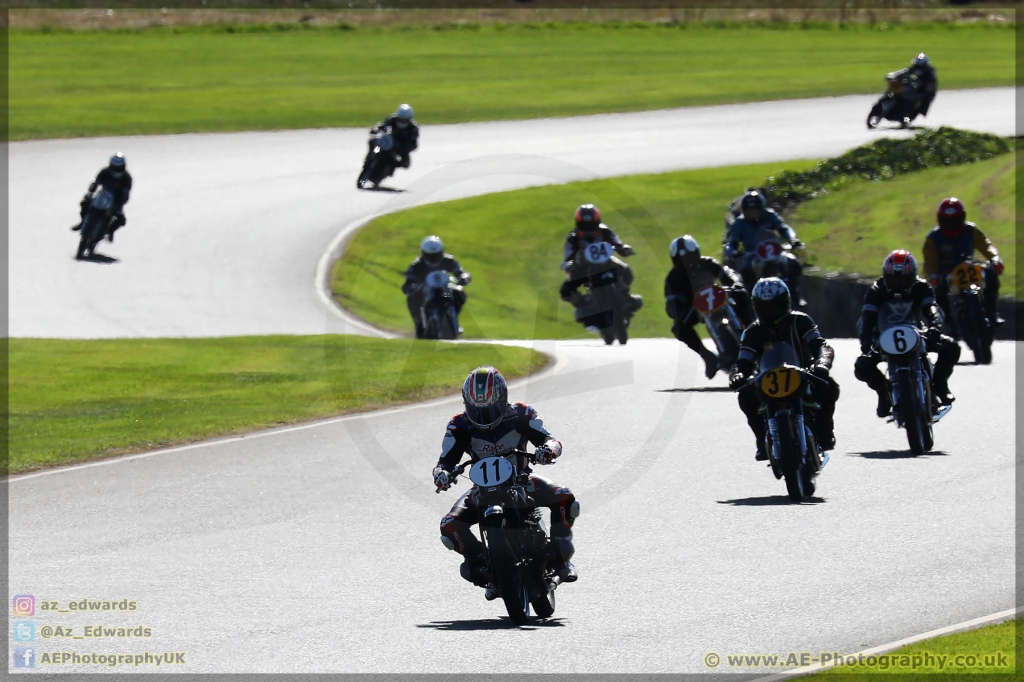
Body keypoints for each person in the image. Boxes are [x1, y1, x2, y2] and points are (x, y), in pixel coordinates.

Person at [434, 367, 579, 599]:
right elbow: (446, 460)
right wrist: (442, 473)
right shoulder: (458, 425)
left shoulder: (521, 414)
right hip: (481, 489)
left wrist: (548, 450)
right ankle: (484, 563)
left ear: (502, 400)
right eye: (476, 410)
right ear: (465, 403)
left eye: (489, 409)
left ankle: (562, 559)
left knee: (564, 497)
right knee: (449, 526)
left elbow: (549, 440)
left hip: (522, 481)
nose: (483, 418)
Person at [729, 278, 840, 461]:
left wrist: (821, 364)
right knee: (745, 397)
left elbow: (820, 345)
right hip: (766, 379)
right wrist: (738, 375)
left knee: (829, 386)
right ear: (755, 307)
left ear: (785, 303)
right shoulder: (752, 332)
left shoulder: (800, 321)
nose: (769, 311)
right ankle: (761, 439)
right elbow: (743, 361)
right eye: (763, 307)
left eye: (774, 306)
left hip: (803, 374)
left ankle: (825, 430)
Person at [855, 250, 959, 416]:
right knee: (862, 365)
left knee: (951, 346)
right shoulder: (876, 290)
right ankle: (884, 392)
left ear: (912, 276)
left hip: (917, 332)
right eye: (894, 278)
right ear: (886, 275)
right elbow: (867, 318)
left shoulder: (921, 287)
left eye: (903, 279)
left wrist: (934, 327)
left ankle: (940, 384)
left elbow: (932, 309)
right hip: (883, 338)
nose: (898, 284)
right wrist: (865, 341)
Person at [664, 234, 753, 379]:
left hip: (721, 297)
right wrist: (678, 311)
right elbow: (671, 304)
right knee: (678, 327)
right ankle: (707, 357)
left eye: (690, 258)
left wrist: (735, 283)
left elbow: (728, 274)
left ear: (697, 255)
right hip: (694, 309)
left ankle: (752, 329)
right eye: (682, 261)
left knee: (741, 294)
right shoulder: (673, 278)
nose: (688, 264)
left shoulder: (708, 263)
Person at [922, 197, 1004, 327]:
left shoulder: (971, 230)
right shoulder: (932, 238)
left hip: (969, 265)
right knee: (937, 291)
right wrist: (932, 275)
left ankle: (992, 312)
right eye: (947, 221)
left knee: (991, 274)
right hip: (945, 272)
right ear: (940, 219)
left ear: (962, 217)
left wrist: (995, 258)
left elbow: (986, 245)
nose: (951, 224)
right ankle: (948, 323)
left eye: (955, 220)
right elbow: (929, 261)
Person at [723, 190, 805, 305]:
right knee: (746, 272)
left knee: (793, 263)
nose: (753, 214)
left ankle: (796, 294)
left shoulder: (770, 215)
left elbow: (784, 228)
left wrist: (792, 239)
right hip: (753, 255)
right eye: (750, 211)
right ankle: (753, 301)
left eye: (755, 210)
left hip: (774, 251)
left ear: (762, 208)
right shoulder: (739, 223)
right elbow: (732, 243)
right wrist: (733, 252)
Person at [401, 236, 470, 339]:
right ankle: (419, 325)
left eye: (436, 255)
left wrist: (463, 278)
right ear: (423, 254)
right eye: (430, 256)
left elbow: (460, 272)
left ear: (441, 252)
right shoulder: (416, 265)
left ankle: (455, 319)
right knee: (413, 299)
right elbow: (408, 283)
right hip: (425, 290)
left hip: (445, 288)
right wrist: (414, 286)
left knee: (460, 293)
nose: (433, 259)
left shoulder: (448, 260)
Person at [71, 152, 132, 241]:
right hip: (103, 195)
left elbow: (126, 192)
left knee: (121, 220)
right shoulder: (105, 171)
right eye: (115, 166)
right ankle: (83, 222)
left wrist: (121, 202)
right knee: (85, 202)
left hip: (116, 200)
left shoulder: (127, 178)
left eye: (119, 167)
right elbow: (96, 181)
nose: (117, 169)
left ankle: (110, 231)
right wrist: (91, 189)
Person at [561, 204, 634, 269]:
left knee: (626, 270)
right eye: (584, 225)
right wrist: (569, 265)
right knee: (568, 284)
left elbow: (617, 242)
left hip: (606, 261)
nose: (588, 228)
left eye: (591, 224)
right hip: (582, 266)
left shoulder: (605, 231)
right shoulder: (573, 237)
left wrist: (624, 248)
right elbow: (567, 258)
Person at [887, 53, 938, 121]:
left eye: (920, 66)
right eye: (916, 65)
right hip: (917, 85)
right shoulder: (915, 67)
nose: (917, 67)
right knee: (902, 87)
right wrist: (894, 75)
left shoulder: (930, 74)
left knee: (916, 100)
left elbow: (929, 88)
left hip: (926, 91)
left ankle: (907, 116)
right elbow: (906, 71)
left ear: (925, 65)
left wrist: (921, 91)